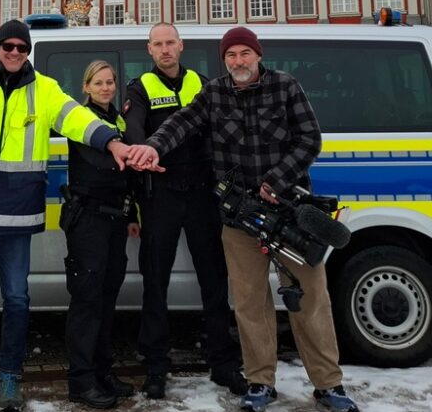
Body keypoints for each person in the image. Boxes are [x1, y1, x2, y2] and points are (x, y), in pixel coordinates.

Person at [127, 27, 360, 412]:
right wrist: (152, 147)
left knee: (311, 301)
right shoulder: (214, 92)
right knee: (251, 305)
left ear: (257, 55)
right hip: (240, 217)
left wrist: (277, 179)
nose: (238, 61)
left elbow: (310, 139)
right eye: (231, 55)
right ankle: (260, 383)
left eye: (244, 54)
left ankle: (328, 384)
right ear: (224, 60)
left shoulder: (286, 86)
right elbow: (182, 123)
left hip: (290, 213)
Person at [0, 20, 132, 412]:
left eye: (22, 47)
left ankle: (10, 376)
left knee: (18, 299)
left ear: (28, 51)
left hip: (16, 210)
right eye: (9, 45)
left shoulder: (46, 90)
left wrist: (112, 141)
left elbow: (78, 118)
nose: (15, 52)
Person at [122, 23, 244, 399]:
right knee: (155, 283)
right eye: (157, 44)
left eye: (170, 43)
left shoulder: (203, 84)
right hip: (161, 194)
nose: (164, 49)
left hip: (203, 195)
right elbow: (134, 129)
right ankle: (156, 367)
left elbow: (224, 131)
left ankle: (224, 363)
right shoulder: (139, 88)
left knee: (214, 279)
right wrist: (145, 154)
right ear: (149, 49)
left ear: (181, 46)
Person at [62, 61, 140, 409]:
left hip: (115, 221)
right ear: (86, 87)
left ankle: (102, 372)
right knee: (87, 302)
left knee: (107, 301)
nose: (107, 88)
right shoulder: (83, 120)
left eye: (110, 82)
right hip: (88, 220)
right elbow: (105, 167)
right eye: (99, 83)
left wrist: (132, 213)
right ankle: (81, 380)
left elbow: (125, 181)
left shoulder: (118, 122)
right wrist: (135, 159)